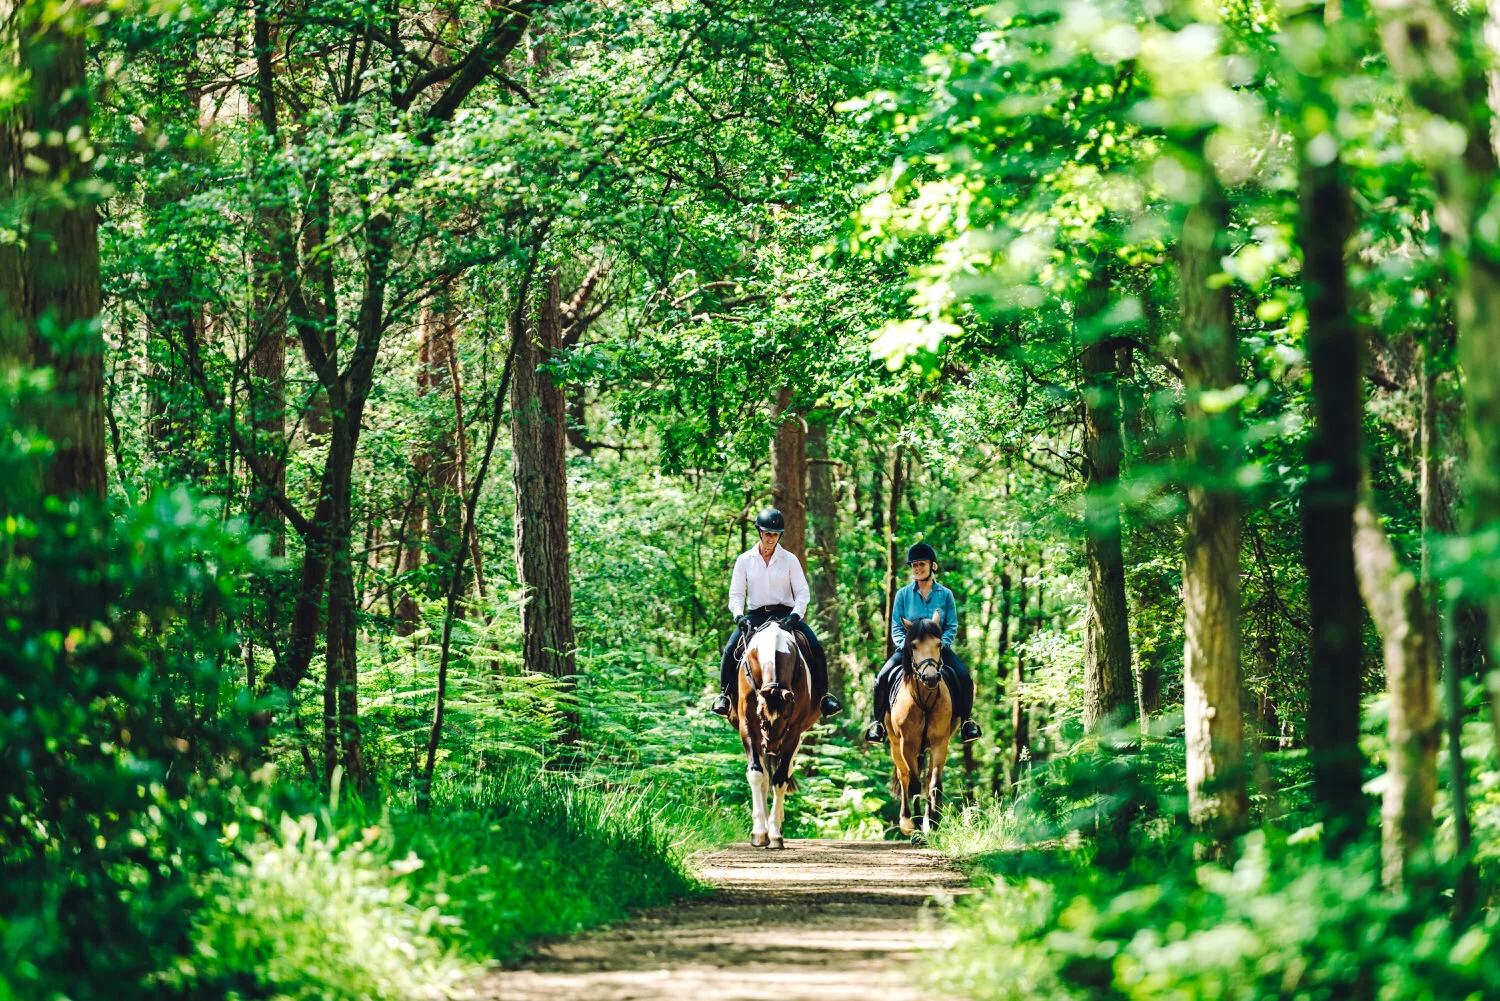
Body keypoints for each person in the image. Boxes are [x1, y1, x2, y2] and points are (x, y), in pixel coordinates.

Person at [711, 508, 841, 719]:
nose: (771, 538)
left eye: (775, 534)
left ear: (779, 535)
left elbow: (802, 593)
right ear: (759, 532)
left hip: (786, 616)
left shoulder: (790, 560)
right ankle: (724, 696)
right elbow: (736, 594)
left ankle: (824, 698)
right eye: (767, 534)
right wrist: (738, 616)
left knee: (815, 647)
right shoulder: (745, 560)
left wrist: (795, 616)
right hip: (755, 616)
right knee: (730, 649)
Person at [865, 542, 981, 744]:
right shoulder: (903, 595)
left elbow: (951, 625)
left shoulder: (945, 594)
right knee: (882, 677)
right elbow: (896, 627)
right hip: (910, 650)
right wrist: (907, 647)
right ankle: (878, 723)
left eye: (922, 564)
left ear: (932, 566)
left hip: (937, 651)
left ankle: (966, 722)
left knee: (964, 676)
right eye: (914, 565)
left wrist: (940, 644)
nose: (918, 568)